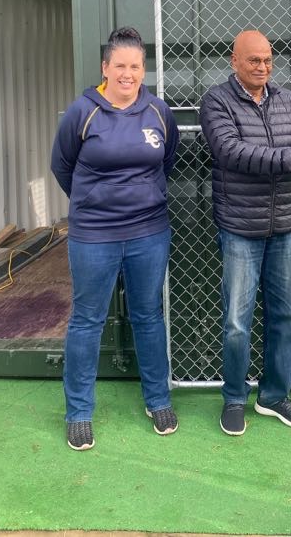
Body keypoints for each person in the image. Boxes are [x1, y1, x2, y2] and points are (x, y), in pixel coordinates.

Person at [51, 26, 180, 449]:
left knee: (148, 316)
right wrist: (94, 203)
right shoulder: (82, 112)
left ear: (144, 70)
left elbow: (167, 161)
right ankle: (78, 412)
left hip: (149, 233)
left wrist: (142, 198)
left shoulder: (158, 112)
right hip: (94, 236)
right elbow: (62, 166)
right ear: (105, 68)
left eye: (136, 66)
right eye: (120, 66)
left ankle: (158, 400)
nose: (128, 74)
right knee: (87, 321)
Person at [199, 29, 291, 436]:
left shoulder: (287, 99)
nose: (263, 67)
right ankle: (234, 398)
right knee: (238, 322)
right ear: (235, 61)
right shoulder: (217, 101)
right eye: (254, 60)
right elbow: (231, 152)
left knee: (286, 316)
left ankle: (273, 396)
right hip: (240, 227)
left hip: (283, 226)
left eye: (268, 60)